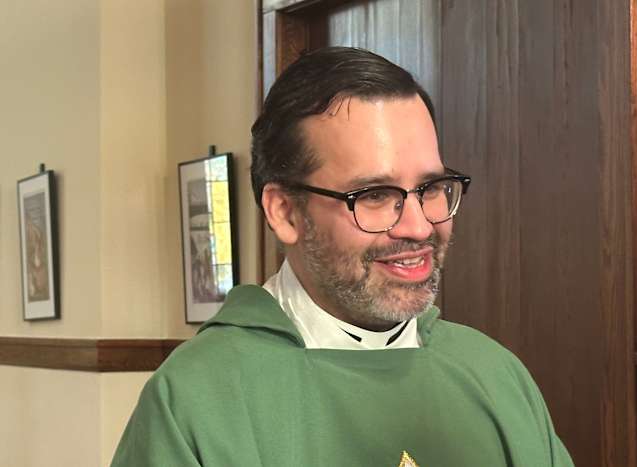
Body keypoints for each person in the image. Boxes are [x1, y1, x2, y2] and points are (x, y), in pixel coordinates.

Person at [111, 47, 574, 467]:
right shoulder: (195, 400)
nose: (418, 227)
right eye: (374, 195)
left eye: (431, 188)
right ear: (285, 212)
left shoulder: (494, 374)